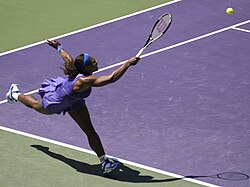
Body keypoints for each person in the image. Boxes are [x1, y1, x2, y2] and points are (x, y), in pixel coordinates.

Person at [6, 39, 140, 175]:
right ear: (87, 68)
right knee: (36, 105)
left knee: (90, 130)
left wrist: (59, 47)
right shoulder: (84, 81)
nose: (97, 62)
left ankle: (104, 161)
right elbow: (111, 78)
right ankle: (15, 94)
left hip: (75, 102)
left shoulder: (77, 69)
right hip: (57, 101)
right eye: (93, 62)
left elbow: (68, 58)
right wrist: (128, 64)